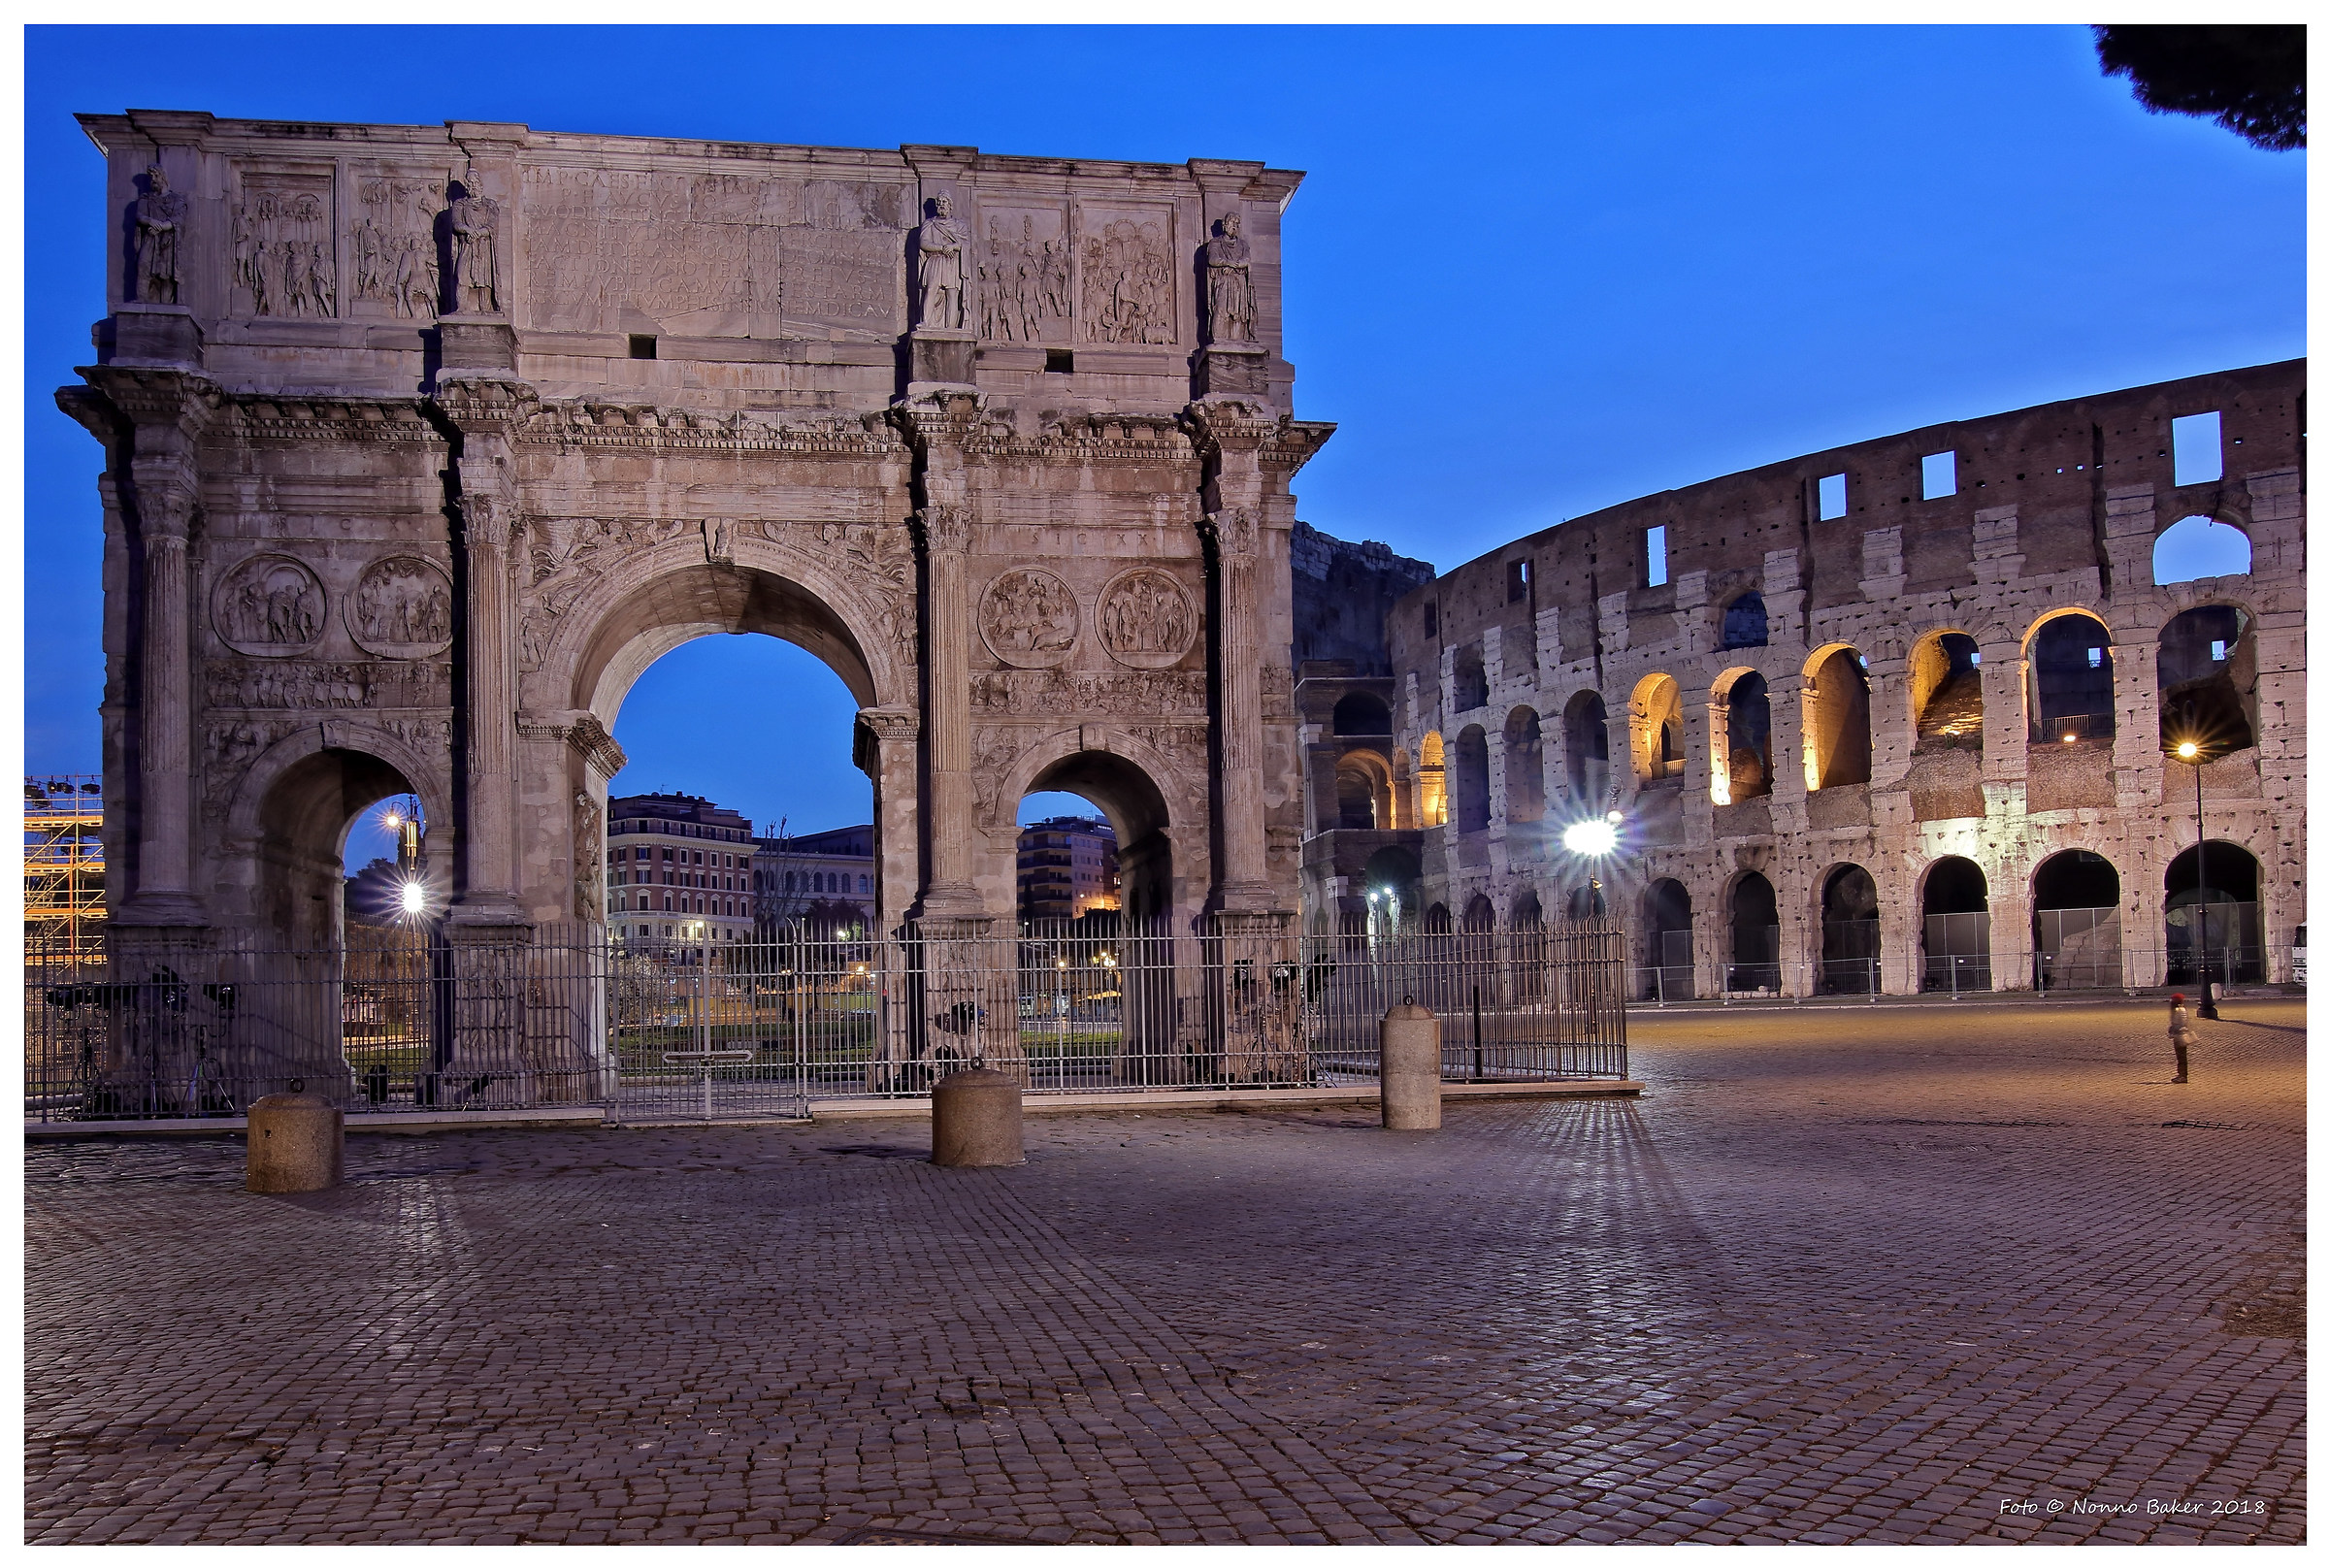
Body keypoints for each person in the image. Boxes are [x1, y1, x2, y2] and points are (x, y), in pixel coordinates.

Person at [2167, 992, 2196, 1083]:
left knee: (2181, 1057)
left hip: (2180, 1036)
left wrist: (2172, 1030)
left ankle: (2182, 1075)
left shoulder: (2178, 1010)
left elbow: (2180, 1023)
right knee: (2181, 1057)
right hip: (2180, 1035)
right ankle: (2182, 1074)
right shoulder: (2181, 1009)